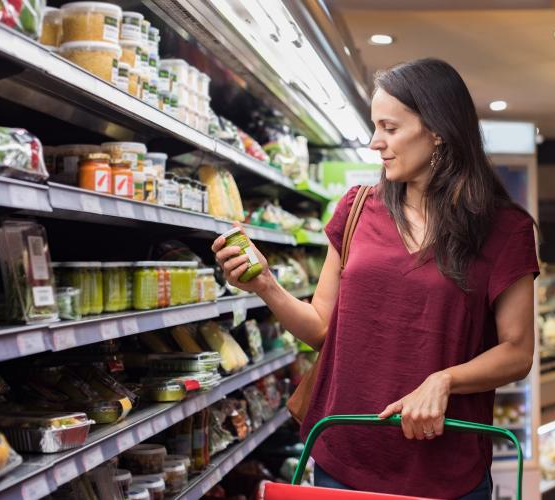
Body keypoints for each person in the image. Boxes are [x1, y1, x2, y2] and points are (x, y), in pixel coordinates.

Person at [211, 58, 538, 499]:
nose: (374, 142)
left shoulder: (505, 228)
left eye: (389, 127)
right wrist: (266, 284)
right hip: (347, 455)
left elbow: (517, 352)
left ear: (438, 130)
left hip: (446, 470)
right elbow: (322, 329)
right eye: (374, 126)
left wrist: (444, 380)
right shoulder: (357, 209)